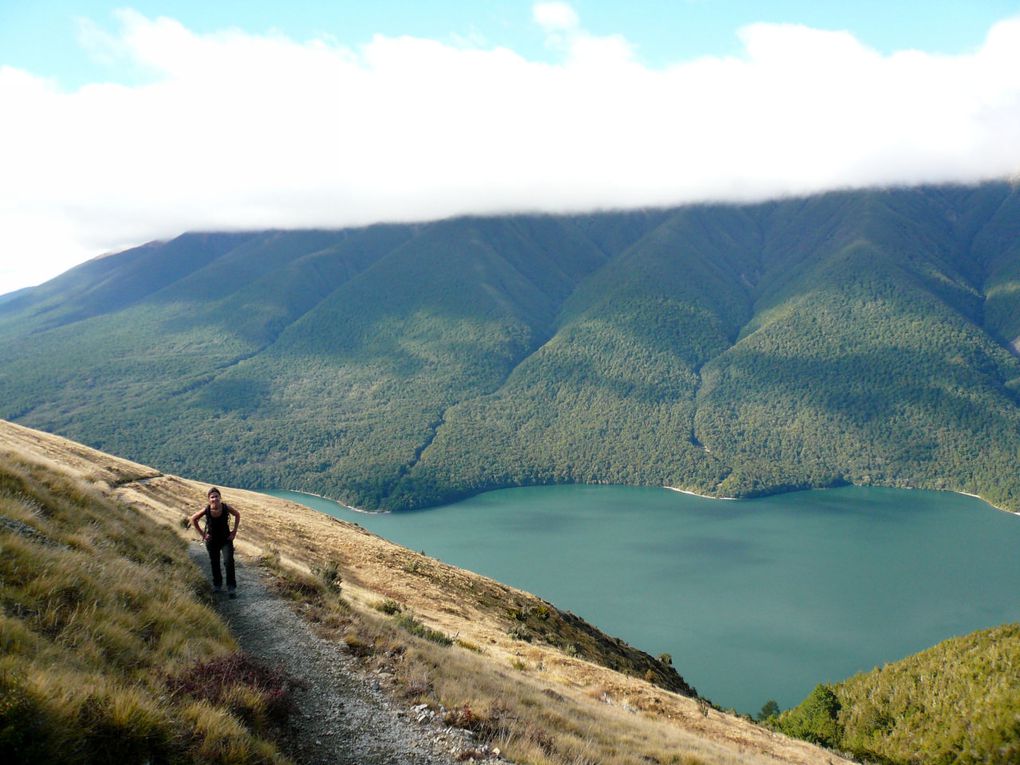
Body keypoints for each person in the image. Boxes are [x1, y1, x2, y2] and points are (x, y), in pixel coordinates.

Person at [190, 487, 241, 598]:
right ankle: (217, 585)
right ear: (209, 499)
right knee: (215, 562)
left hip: (226, 540)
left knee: (229, 562)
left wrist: (234, 532)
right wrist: (203, 535)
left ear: (220, 497)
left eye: (216, 496)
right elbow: (193, 519)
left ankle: (231, 587)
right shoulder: (207, 510)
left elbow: (237, 514)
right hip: (212, 541)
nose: (214, 498)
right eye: (212, 497)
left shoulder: (226, 507)